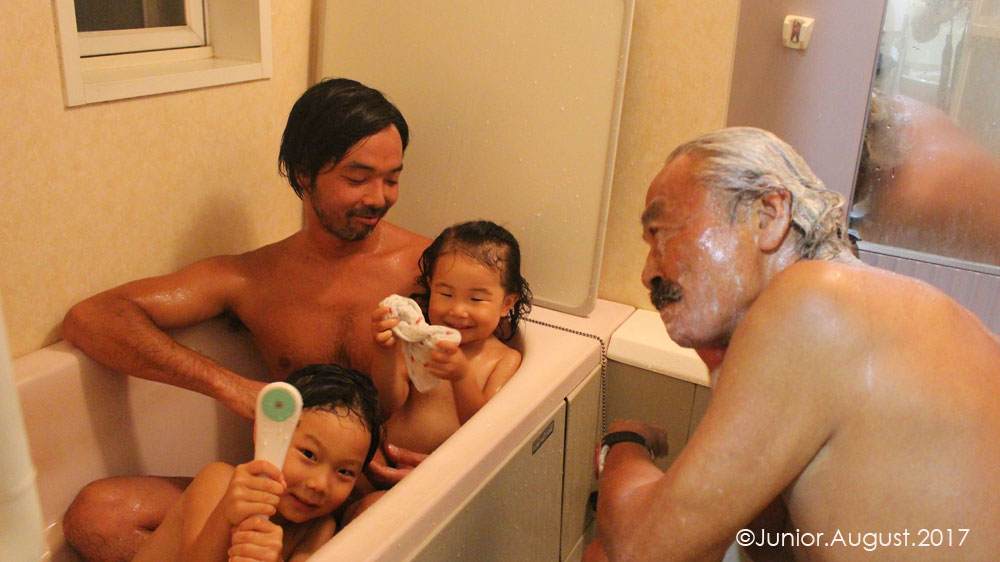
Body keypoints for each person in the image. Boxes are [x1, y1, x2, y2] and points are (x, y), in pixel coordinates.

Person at [586, 127, 1000, 561]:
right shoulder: (866, 310)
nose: (648, 272)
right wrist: (723, 368)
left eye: (661, 233)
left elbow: (643, 550)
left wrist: (626, 441)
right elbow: (773, 547)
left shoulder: (815, 300)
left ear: (768, 215)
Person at [61, 77, 430, 562]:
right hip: (285, 487)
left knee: (383, 518)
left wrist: (450, 456)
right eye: (357, 179)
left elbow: (487, 370)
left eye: (392, 178)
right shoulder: (252, 278)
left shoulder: (425, 266)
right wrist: (231, 387)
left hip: (379, 492)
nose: (379, 197)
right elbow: (92, 318)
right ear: (303, 174)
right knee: (97, 514)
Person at [132, 364, 384, 562]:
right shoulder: (219, 481)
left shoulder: (317, 529)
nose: (319, 484)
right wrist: (225, 516)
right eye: (309, 455)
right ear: (266, 434)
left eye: (344, 471)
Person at [371, 220, 532, 454]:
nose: (457, 310)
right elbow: (387, 403)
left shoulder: (504, 360)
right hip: (383, 454)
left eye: (476, 299)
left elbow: (485, 433)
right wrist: (384, 351)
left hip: (447, 469)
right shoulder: (418, 341)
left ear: (506, 303)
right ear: (431, 287)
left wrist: (462, 377)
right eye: (446, 294)